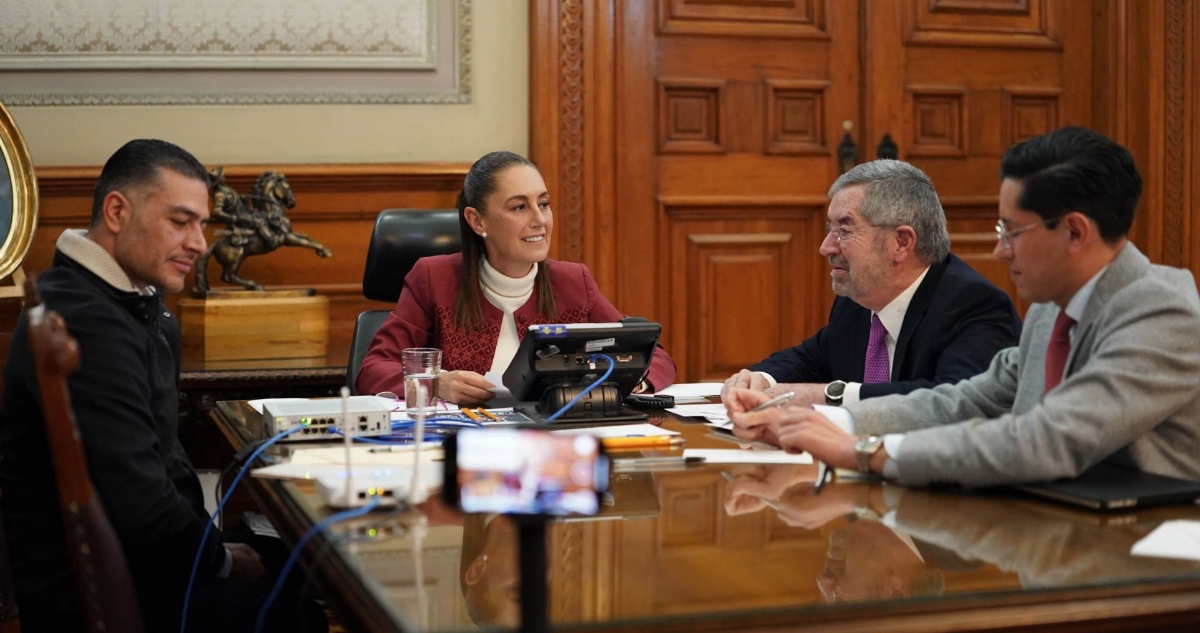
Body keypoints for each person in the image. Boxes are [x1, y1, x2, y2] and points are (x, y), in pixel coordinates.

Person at [727, 127, 1200, 487]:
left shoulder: (1162, 312)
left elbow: (1047, 438)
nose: (1000, 252)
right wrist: (821, 423)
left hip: (1143, 565)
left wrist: (865, 451)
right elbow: (969, 400)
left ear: (1075, 232)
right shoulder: (1050, 311)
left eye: (1013, 233)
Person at [0, 139, 326, 632]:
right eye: (180, 222)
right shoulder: (90, 322)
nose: (198, 242)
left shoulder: (114, 300)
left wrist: (216, 550)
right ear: (116, 211)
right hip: (104, 595)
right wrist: (222, 560)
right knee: (299, 604)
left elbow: (158, 470)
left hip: (139, 567)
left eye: (201, 224)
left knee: (298, 566)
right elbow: (141, 507)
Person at [357, 150, 676, 404]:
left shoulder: (573, 282)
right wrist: (436, 384)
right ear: (477, 221)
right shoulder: (434, 279)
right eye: (519, 207)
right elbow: (372, 370)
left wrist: (636, 381)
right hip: (462, 448)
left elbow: (653, 357)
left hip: (554, 449)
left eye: (544, 204)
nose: (540, 220)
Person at [722, 160, 1020, 408]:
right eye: (830, 228)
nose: (826, 247)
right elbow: (812, 358)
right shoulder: (859, 300)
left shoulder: (974, 307)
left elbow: (953, 404)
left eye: (844, 229)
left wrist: (831, 396)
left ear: (901, 242)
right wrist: (760, 379)